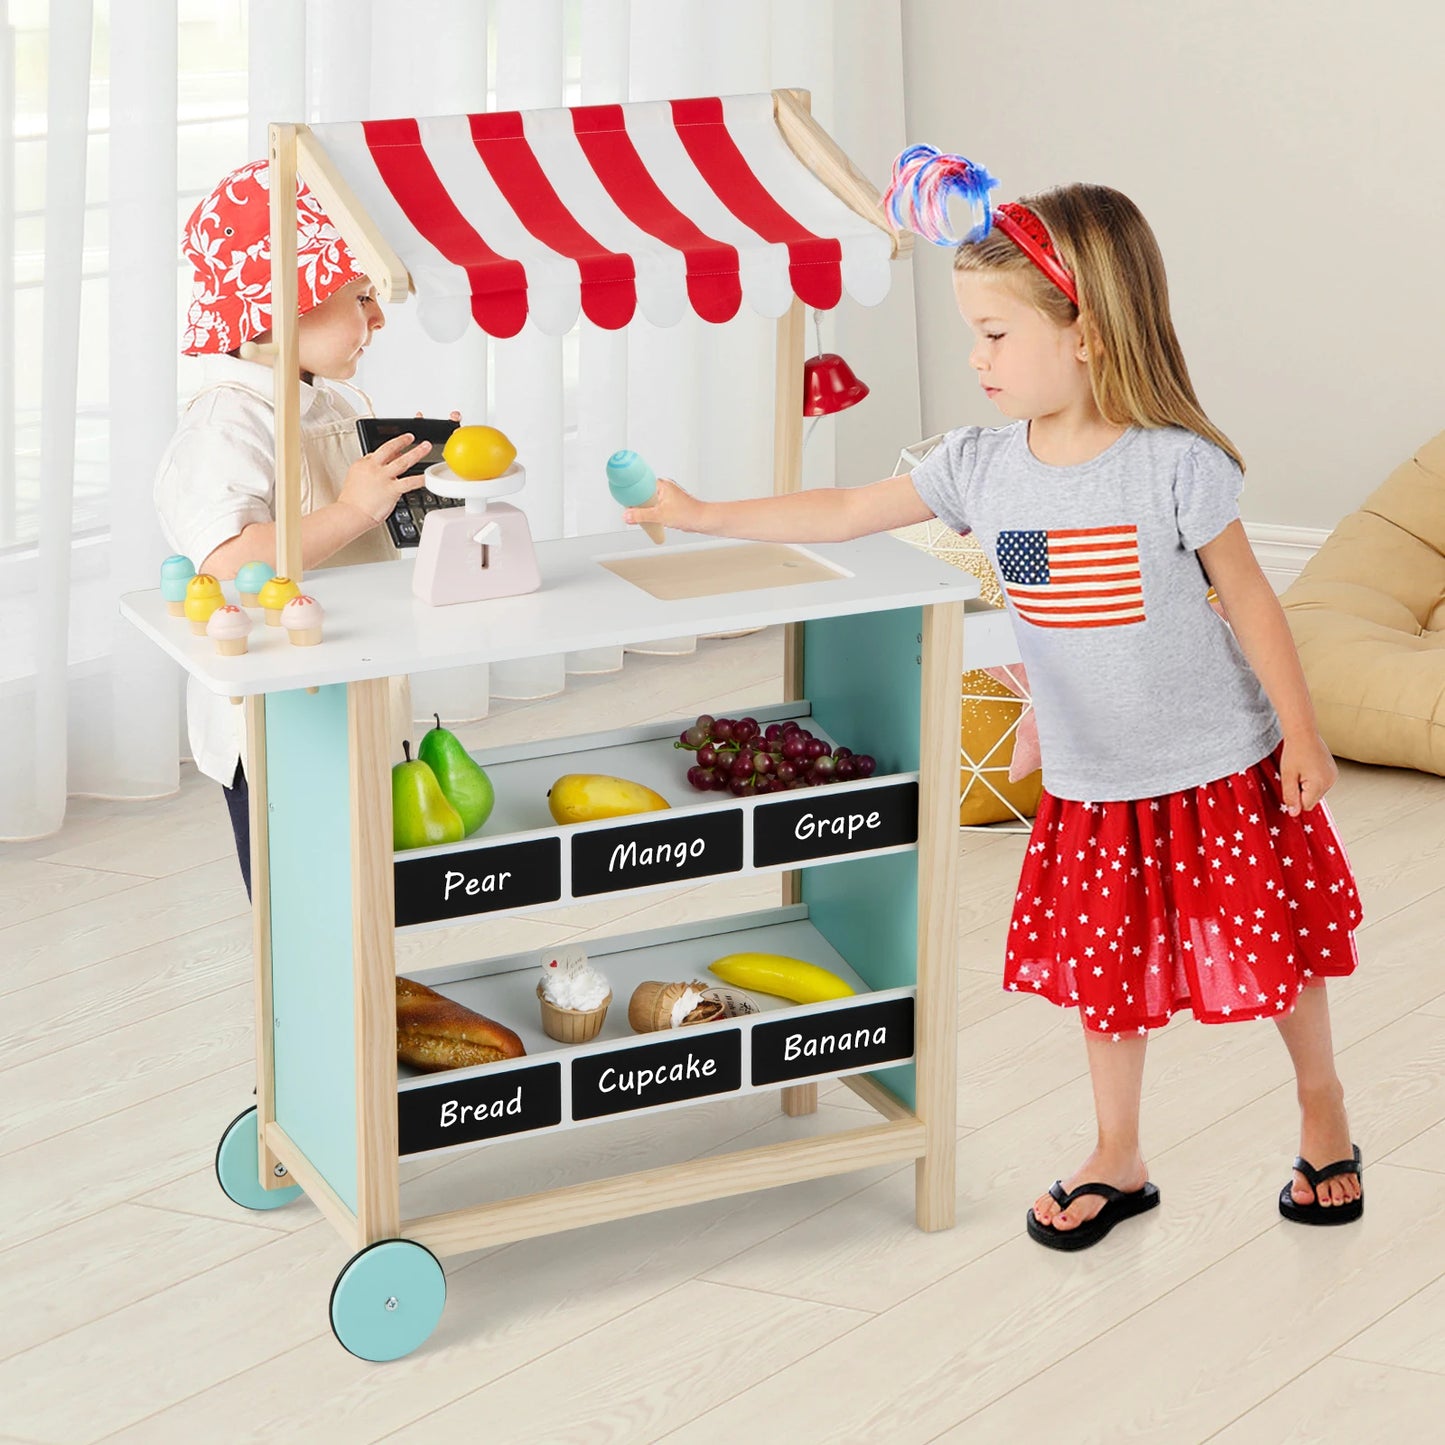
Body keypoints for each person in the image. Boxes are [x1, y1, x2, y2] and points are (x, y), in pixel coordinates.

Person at [622, 150, 1364, 1248]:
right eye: (971, 331)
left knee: (1275, 952)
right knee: (1105, 978)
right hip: (1090, 777)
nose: (974, 357)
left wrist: (1298, 733)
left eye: (994, 334)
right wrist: (699, 512)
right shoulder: (979, 465)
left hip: (1215, 760)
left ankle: (1320, 1106)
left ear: (1089, 334)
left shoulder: (1170, 464)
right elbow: (838, 507)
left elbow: (1251, 603)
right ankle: (1117, 1151)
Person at [154, 158, 446, 899]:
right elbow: (228, 561)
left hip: (349, 678)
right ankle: (321, 1011)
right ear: (283, 304)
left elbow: (363, 526)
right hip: (277, 709)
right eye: (359, 297)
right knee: (301, 902)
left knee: (366, 883)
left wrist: (411, 476)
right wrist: (352, 509)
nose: (378, 319)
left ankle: (373, 1002)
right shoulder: (227, 423)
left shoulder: (329, 400)